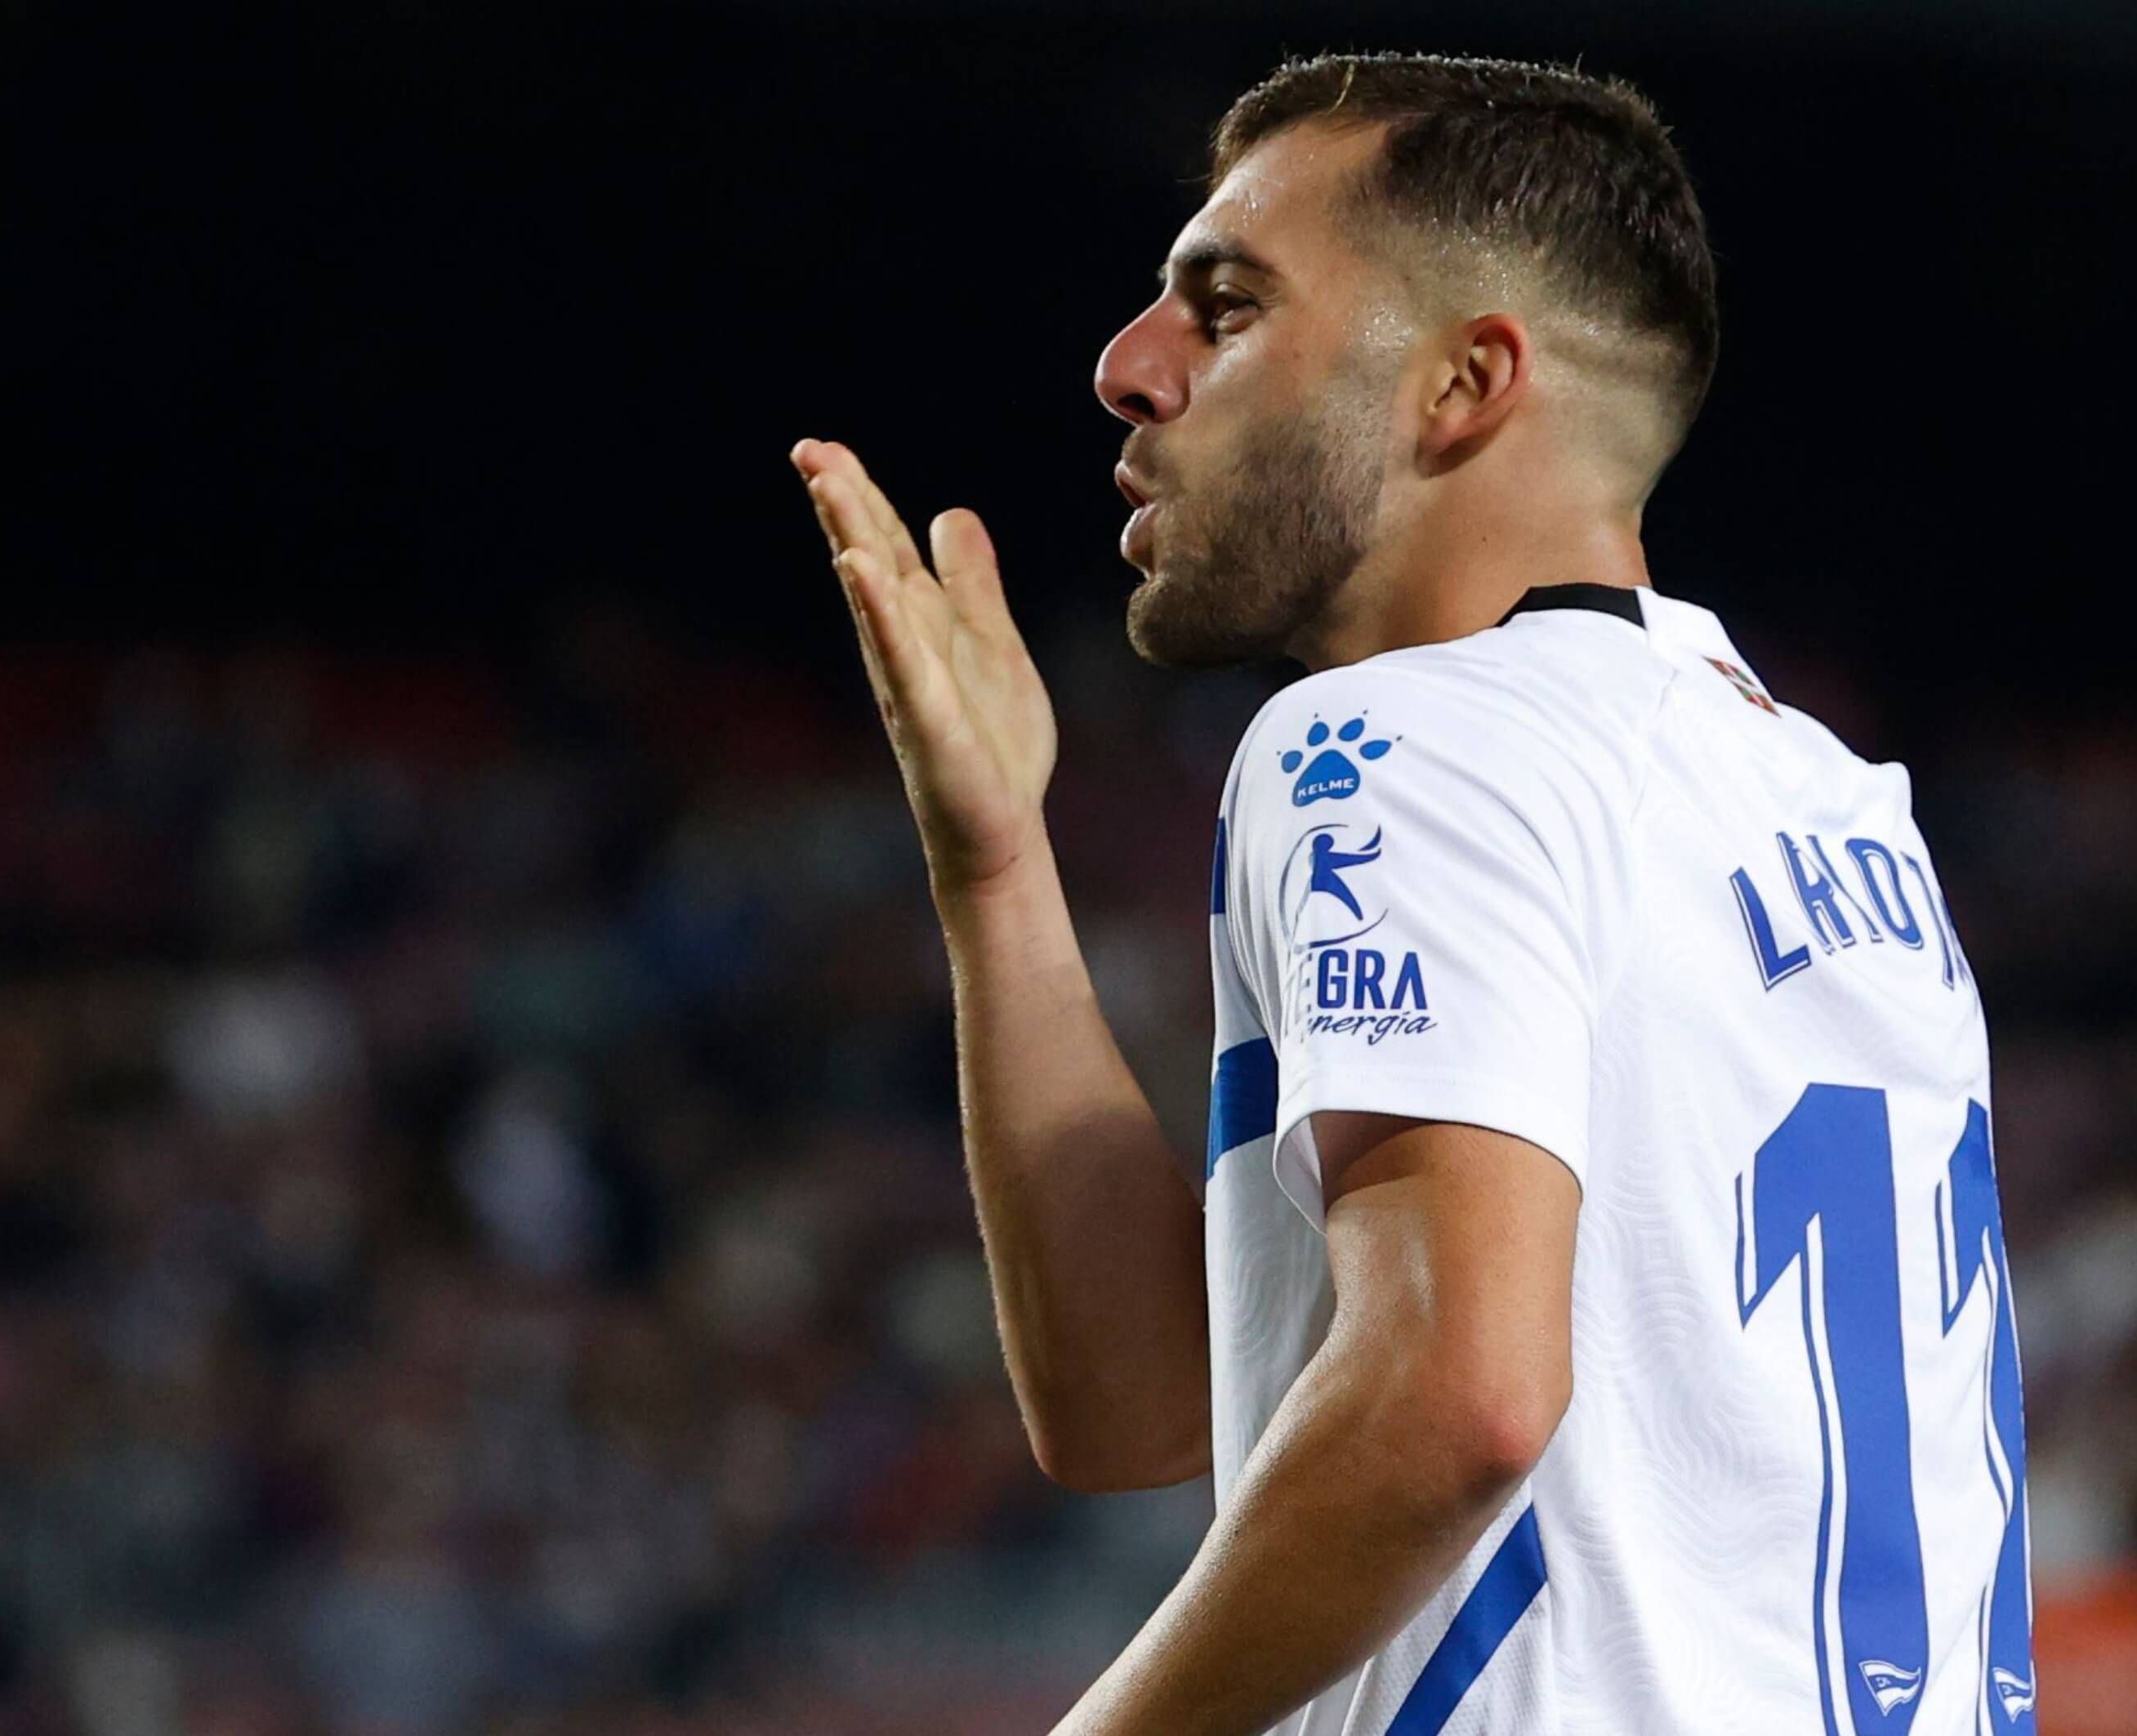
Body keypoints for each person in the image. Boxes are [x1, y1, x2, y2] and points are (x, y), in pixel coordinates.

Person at [789, 51, 2032, 1736]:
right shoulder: (1828, 801)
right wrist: (997, 870)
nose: (1126, 368)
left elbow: (1454, 1400)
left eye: (1223, 310)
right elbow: (1150, 1404)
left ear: (1462, 384)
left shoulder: (1402, 743)